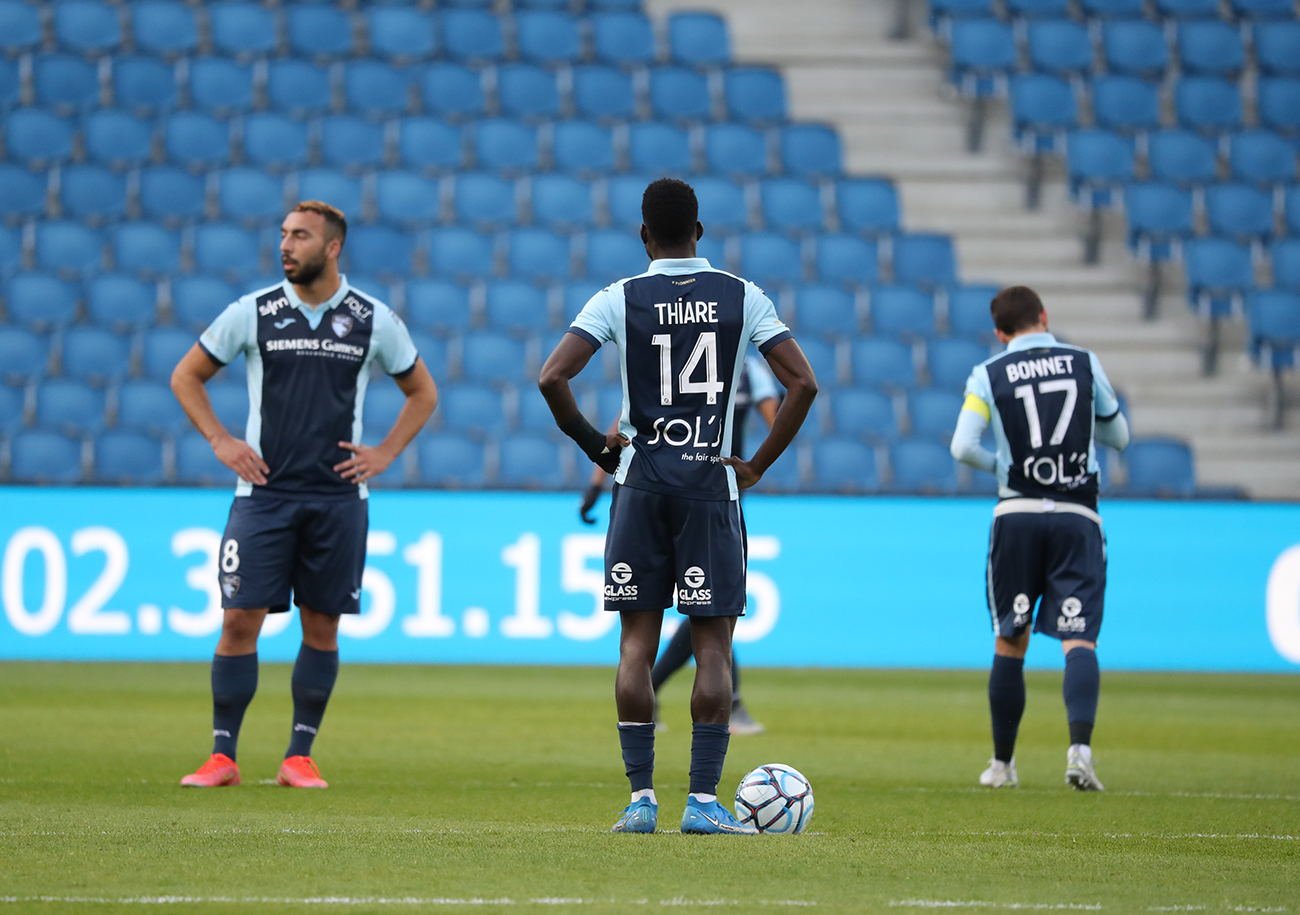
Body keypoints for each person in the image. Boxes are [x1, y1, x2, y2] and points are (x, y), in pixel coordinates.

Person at [539, 178, 817, 835]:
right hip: (707, 486)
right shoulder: (742, 296)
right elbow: (802, 382)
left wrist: (598, 452)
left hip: (639, 486)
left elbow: (552, 376)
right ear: (700, 231)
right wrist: (756, 464)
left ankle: (641, 800)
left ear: (643, 235)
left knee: (635, 645)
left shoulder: (619, 297)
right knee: (712, 643)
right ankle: (701, 801)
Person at [171, 201, 437, 789]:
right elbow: (185, 375)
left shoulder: (372, 319)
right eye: (283, 235)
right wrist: (219, 438)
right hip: (263, 495)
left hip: (338, 499)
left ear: (332, 247)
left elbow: (422, 391)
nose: (286, 245)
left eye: (300, 236)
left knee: (322, 628)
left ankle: (299, 755)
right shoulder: (254, 312)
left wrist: (386, 453)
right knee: (240, 619)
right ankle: (222, 756)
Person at [950, 285, 1129, 792]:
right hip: (1077, 515)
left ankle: (1003, 766)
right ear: (1045, 317)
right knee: (1079, 638)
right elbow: (1119, 439)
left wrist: (1004, 469)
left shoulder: (989, 372)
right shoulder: (1084, 362)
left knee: (1011, 639)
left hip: (1017, 514)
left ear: (999, 333)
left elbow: (962, 447)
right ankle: (1079, 753)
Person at [579, 356, 780, 736]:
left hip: (652, 492)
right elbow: (777, 420)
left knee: (699, 610)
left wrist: (595, 484)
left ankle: (654, 693)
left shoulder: (667, 360)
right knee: (711, 604)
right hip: (714, 498)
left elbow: (621, 425)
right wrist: (754, 465)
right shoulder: (750, 369)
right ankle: (714, 702)